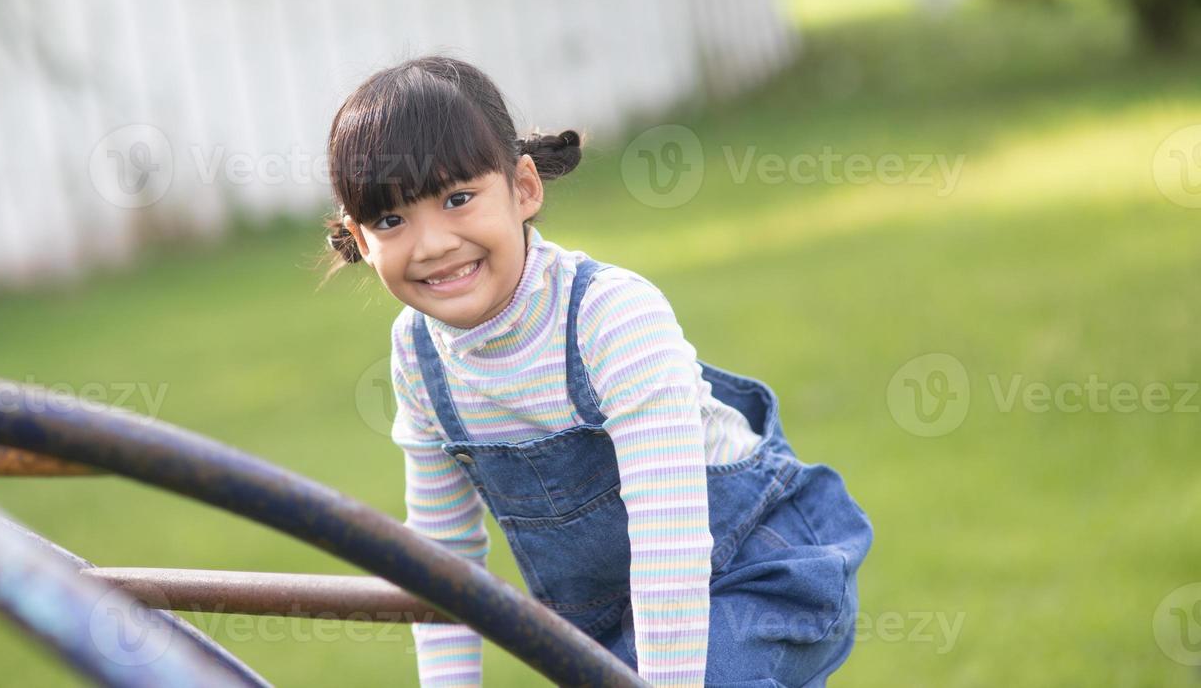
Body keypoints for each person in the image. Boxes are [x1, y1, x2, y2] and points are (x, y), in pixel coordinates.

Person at [320, 54, 873, 687]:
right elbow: (443, 561)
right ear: (361, 241)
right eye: (391, 220)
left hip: (753, 570)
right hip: (618, 624)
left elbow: (670, 544)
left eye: (458, 198)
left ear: (524, 188)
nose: (432, 243)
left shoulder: (609, 316)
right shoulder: (419, 355)